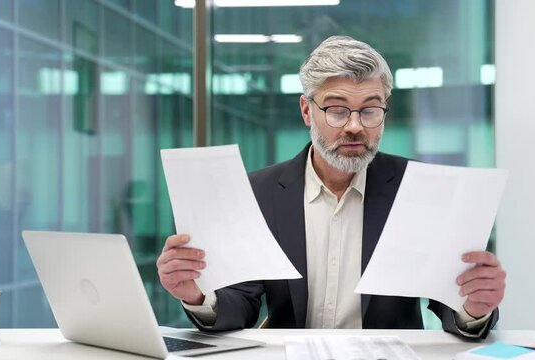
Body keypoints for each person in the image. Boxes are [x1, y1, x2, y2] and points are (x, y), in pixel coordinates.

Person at [156, 36, 506, 339]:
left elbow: (450, 305)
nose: (355, 126)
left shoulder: (416, 190)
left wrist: (473, 308)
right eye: (337, 110)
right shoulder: (260, 191)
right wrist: (196, 296)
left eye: (370, 110)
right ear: (307, 111)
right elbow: (241, 302)